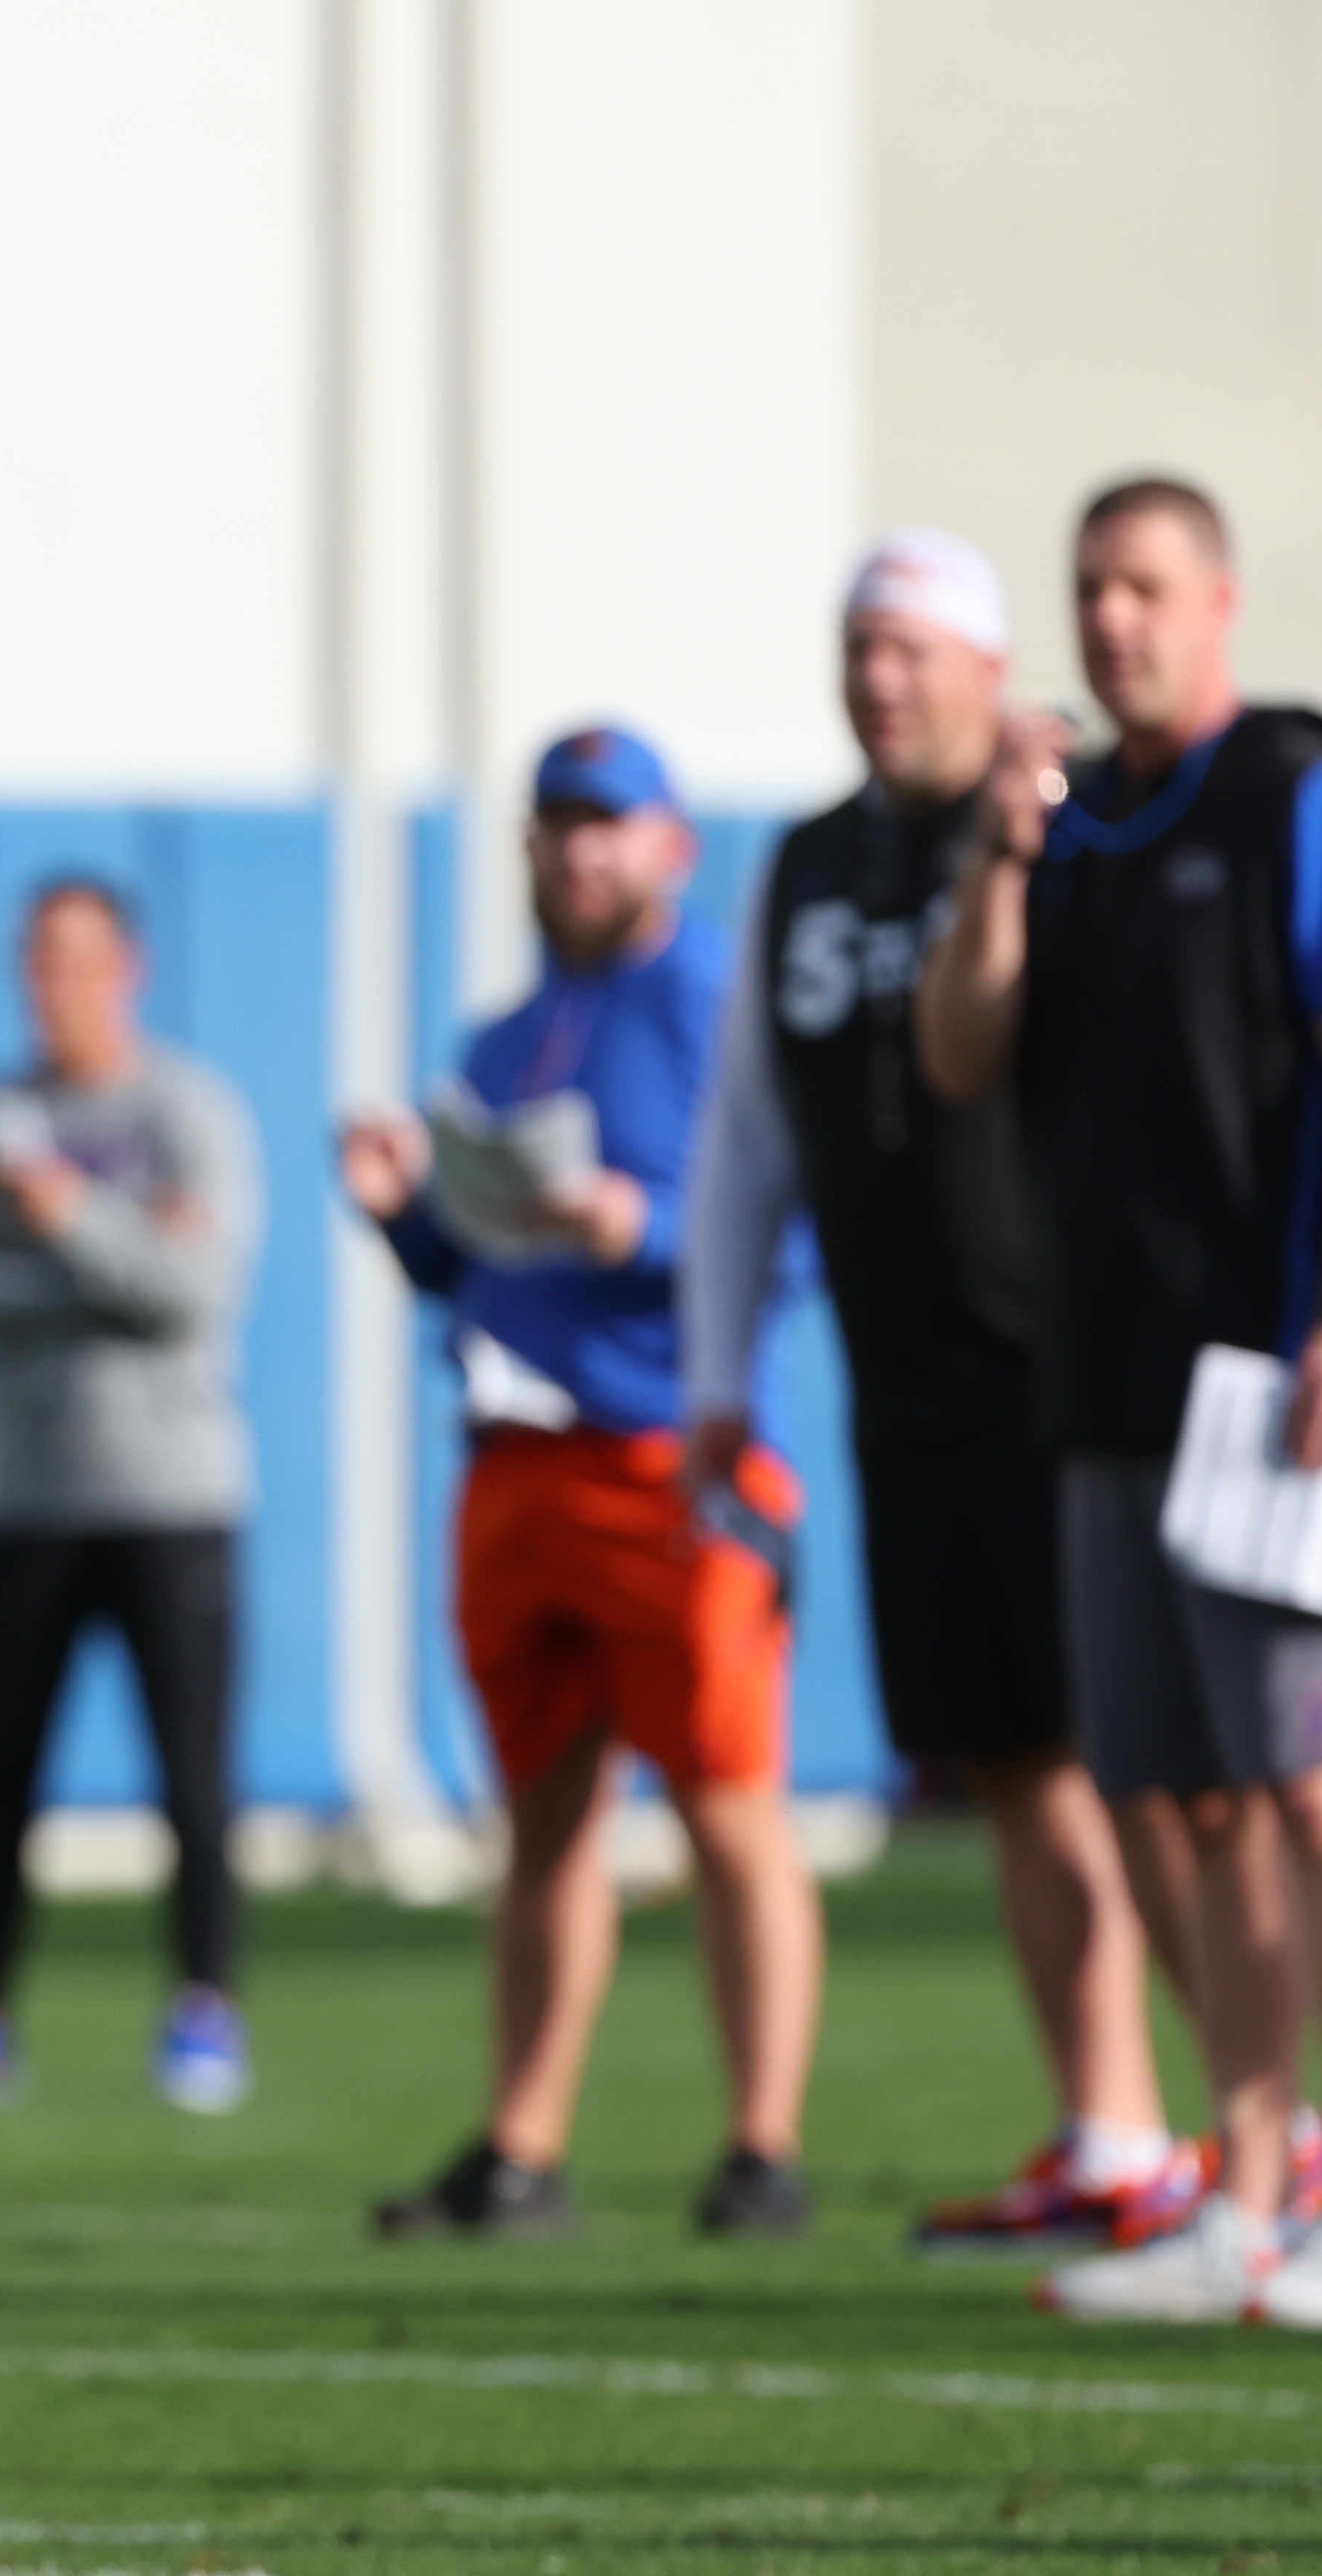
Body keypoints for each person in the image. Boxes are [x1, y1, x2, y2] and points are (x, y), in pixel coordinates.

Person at [681, 529, 1197, 2256]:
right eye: (857, 651)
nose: (879, 681)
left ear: (984, 666)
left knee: (1158, 1765)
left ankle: (1267, 2138)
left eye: (911, 649)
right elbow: (751, 1134)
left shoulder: (1074, 820)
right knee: (1019, 1764)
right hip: (903, 1383)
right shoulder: (809, 864)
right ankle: (1117, 2129)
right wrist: (716, 1368)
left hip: (1070, 1370)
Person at [913, 477, 1322, 2324]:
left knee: (1316, 1790)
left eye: (1144, 587)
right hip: (1105, 1386)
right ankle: (1247, 2197)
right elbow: (958, 1056)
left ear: (1218, 602)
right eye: (1089, 591)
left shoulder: (1294, 798)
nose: (1113, 622)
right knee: (1179, 1806)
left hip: (1271, 1381)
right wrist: (996, 860)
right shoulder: (1062, 827)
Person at [341, 725, 828, 2241]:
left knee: (728, 1806)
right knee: (543, 1822)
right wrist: (410, 1218)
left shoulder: (714, 1009)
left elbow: (788, 1234)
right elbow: (482, 1265)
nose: (575, 851)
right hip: (516, 1452)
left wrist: (647, 1229)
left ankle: (762, 2141)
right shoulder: (505, 1035)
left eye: (606, 825)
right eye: (556, 824)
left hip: (665, 1458)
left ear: (674, 844)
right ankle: (524, 2145)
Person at [0, 875, 262, 2118]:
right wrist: (102, 1257)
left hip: (171, 1494)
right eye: (38, 961)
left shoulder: (186, 1112)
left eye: (80, 961)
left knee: (192, 1779)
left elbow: (189, 1290)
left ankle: (206, 2010)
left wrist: (61, 1211)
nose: (57, 985)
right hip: (21, 1498)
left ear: (128, 970)